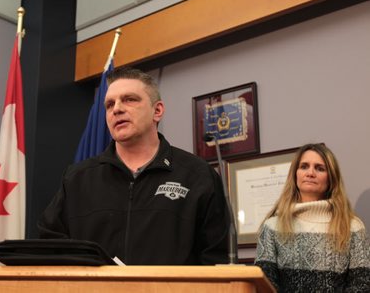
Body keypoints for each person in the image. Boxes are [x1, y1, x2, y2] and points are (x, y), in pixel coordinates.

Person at [38, 67, 229, 265]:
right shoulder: (77, 178)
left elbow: (215, 260)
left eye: (129, 99)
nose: (117, 109)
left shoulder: (197, 175)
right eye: (110, 104)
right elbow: (52, 249)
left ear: (157, 111)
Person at [255, 143, 370, 292]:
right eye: (304, 166)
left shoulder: (352, 227)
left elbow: (362, 284)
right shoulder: (272, 226)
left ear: (331, 178)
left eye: (319, 168)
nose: (310, 173)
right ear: (295, 174)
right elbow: (265, 286)